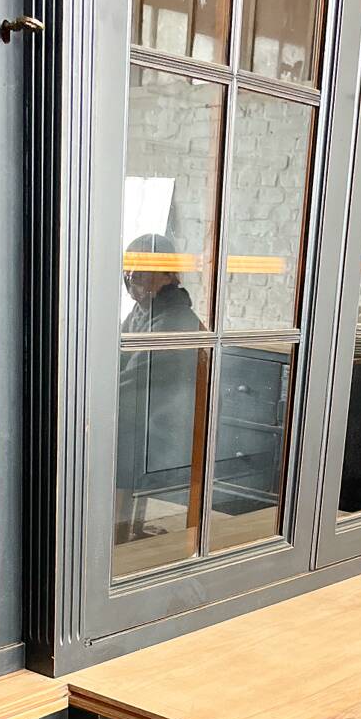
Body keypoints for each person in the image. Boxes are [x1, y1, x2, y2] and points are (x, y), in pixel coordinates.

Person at [115, 234, 206, 546]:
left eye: (140, 269)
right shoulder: (145, 310)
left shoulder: (175, 321)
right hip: (143, 418)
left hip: (165, 435)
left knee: (103, 433)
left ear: (169, 274)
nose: (131, 277)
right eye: (128, 269)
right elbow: (113, 359)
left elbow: (132, 384)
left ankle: (112, 535)